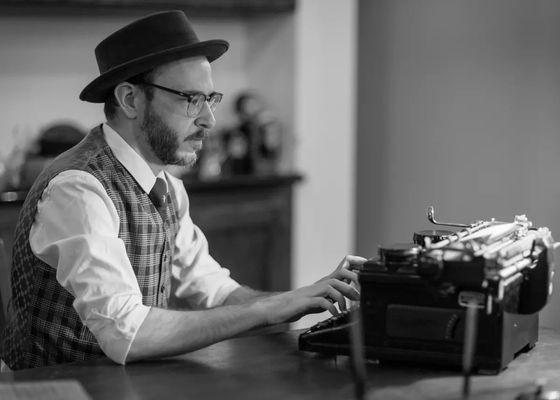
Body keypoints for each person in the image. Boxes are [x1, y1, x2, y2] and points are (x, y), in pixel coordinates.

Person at [0, 10, 365, 370]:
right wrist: (266, 310)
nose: (209, 119)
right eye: (191, 99)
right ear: (130, 100)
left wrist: (296, 299)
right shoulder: (78, 188)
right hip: (60, 390)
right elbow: (127, 333)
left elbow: (213, 291)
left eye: (211, 98)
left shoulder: (167, 188)